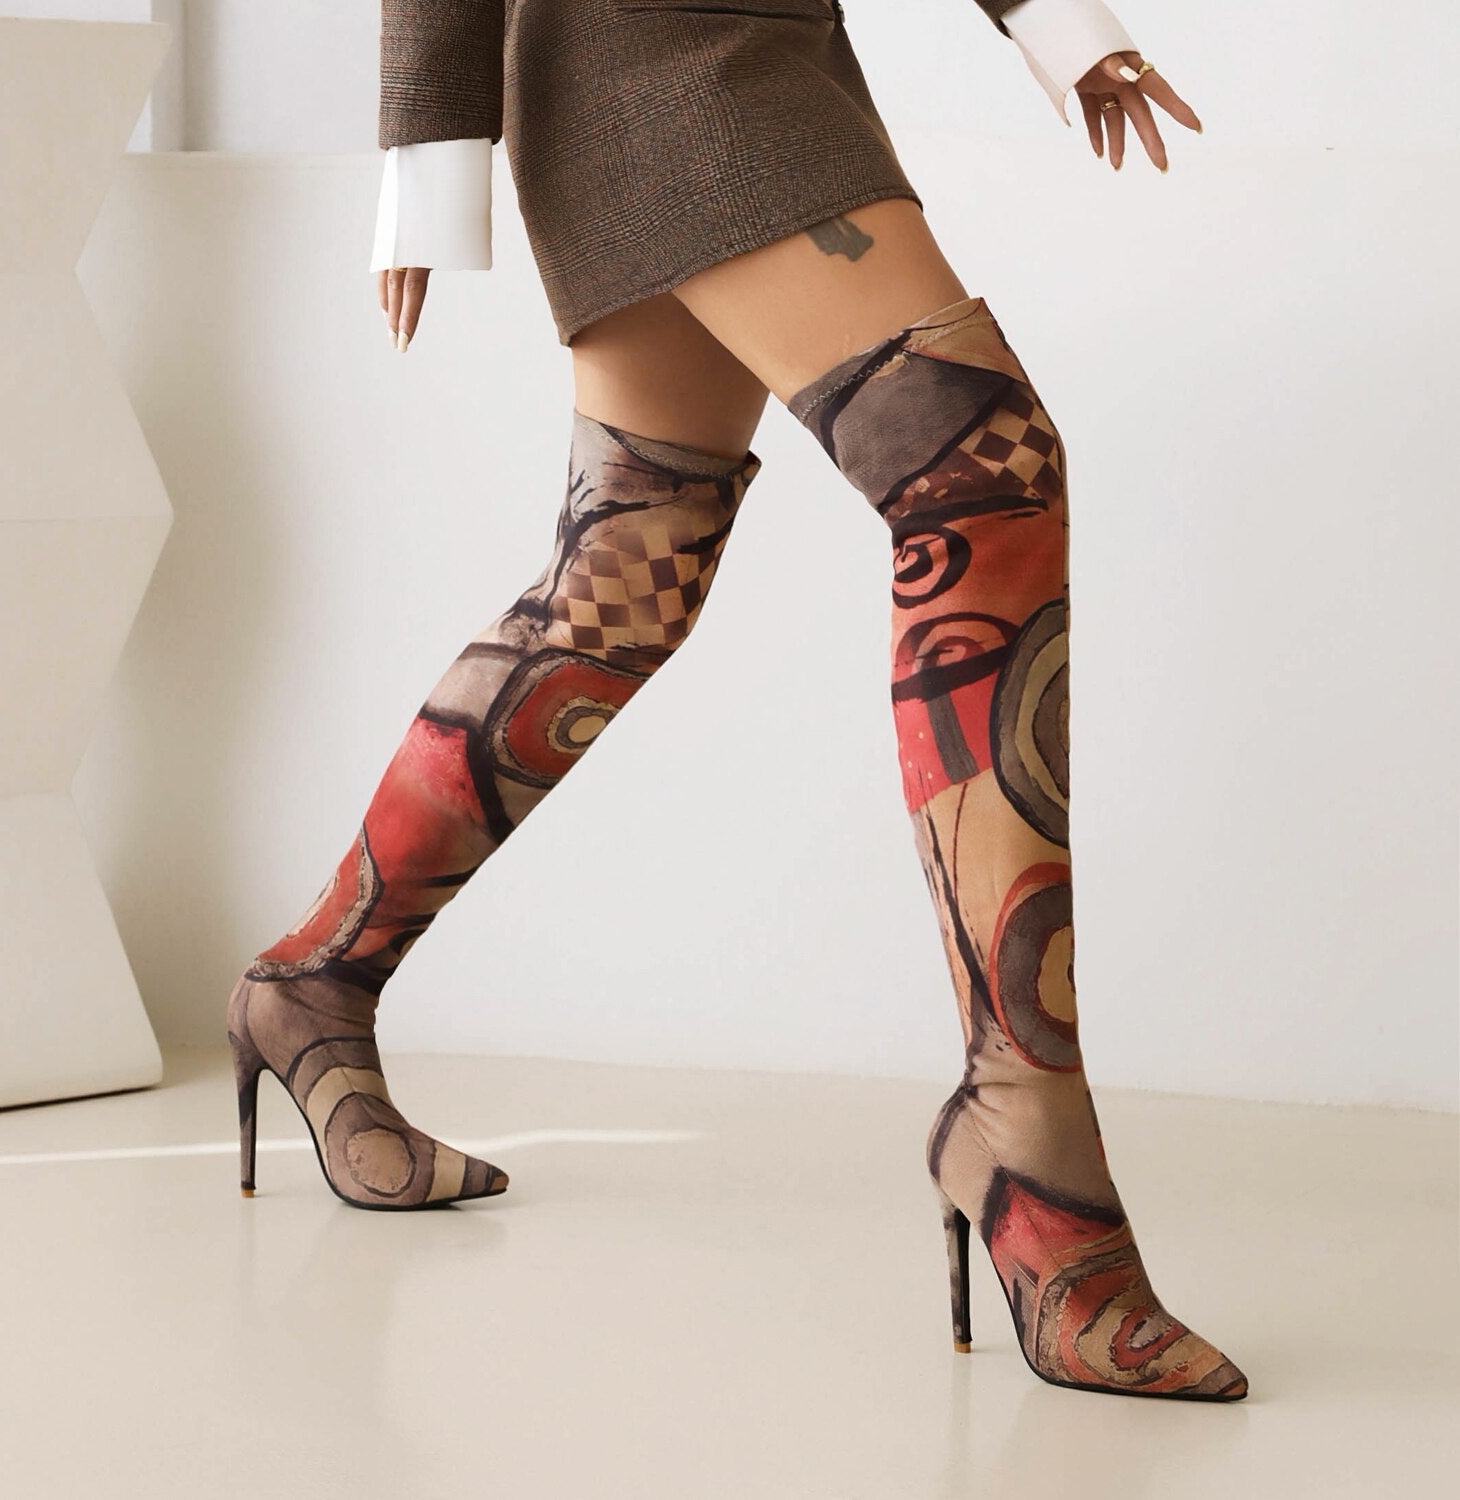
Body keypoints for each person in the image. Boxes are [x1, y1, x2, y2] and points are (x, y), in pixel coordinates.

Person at [226, 0, 1248, 1401]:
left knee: (621, 577)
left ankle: (314, 983)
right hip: (652, 57)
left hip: (762, 49)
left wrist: (1052, 22)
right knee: (980, 478)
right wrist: (427, 151)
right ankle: (1026, 1132)